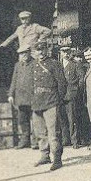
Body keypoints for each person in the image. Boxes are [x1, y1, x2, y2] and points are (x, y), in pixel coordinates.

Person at [30, 42, 68, 171]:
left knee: (54, 133)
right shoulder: (33, 65)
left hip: (51, 102)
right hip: (37, 103)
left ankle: (57, 158)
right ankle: (44, 155)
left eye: (42, 50)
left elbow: (62, 83)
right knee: (40, 132)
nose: (40, 53)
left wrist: (58, 100)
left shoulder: (54, 64)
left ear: (46, 50)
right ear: (34, 52)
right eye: (37, 50)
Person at [7, 46, 35, 149]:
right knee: (22, 120)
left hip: (32, 97)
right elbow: (14, 81)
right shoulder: (17, 66)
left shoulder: (35, 64)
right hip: (21, 98)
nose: (23, 56)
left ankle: (35, 142)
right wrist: (11, 94)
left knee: (35, 120)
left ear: (29, 53)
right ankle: (25, 141)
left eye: (25, 53)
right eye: (21, 54)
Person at [61, 47, 86, 147]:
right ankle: (65, 139)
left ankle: (74, 140)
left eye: (68, 52)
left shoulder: (76, 64)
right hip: (60, 95)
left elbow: (81, 79)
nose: (66, 54)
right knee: (62, 118)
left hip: (71, 94)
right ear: (61, 53)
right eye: (64, 52)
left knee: (72, 119)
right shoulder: (58, 64)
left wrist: (77, 91)